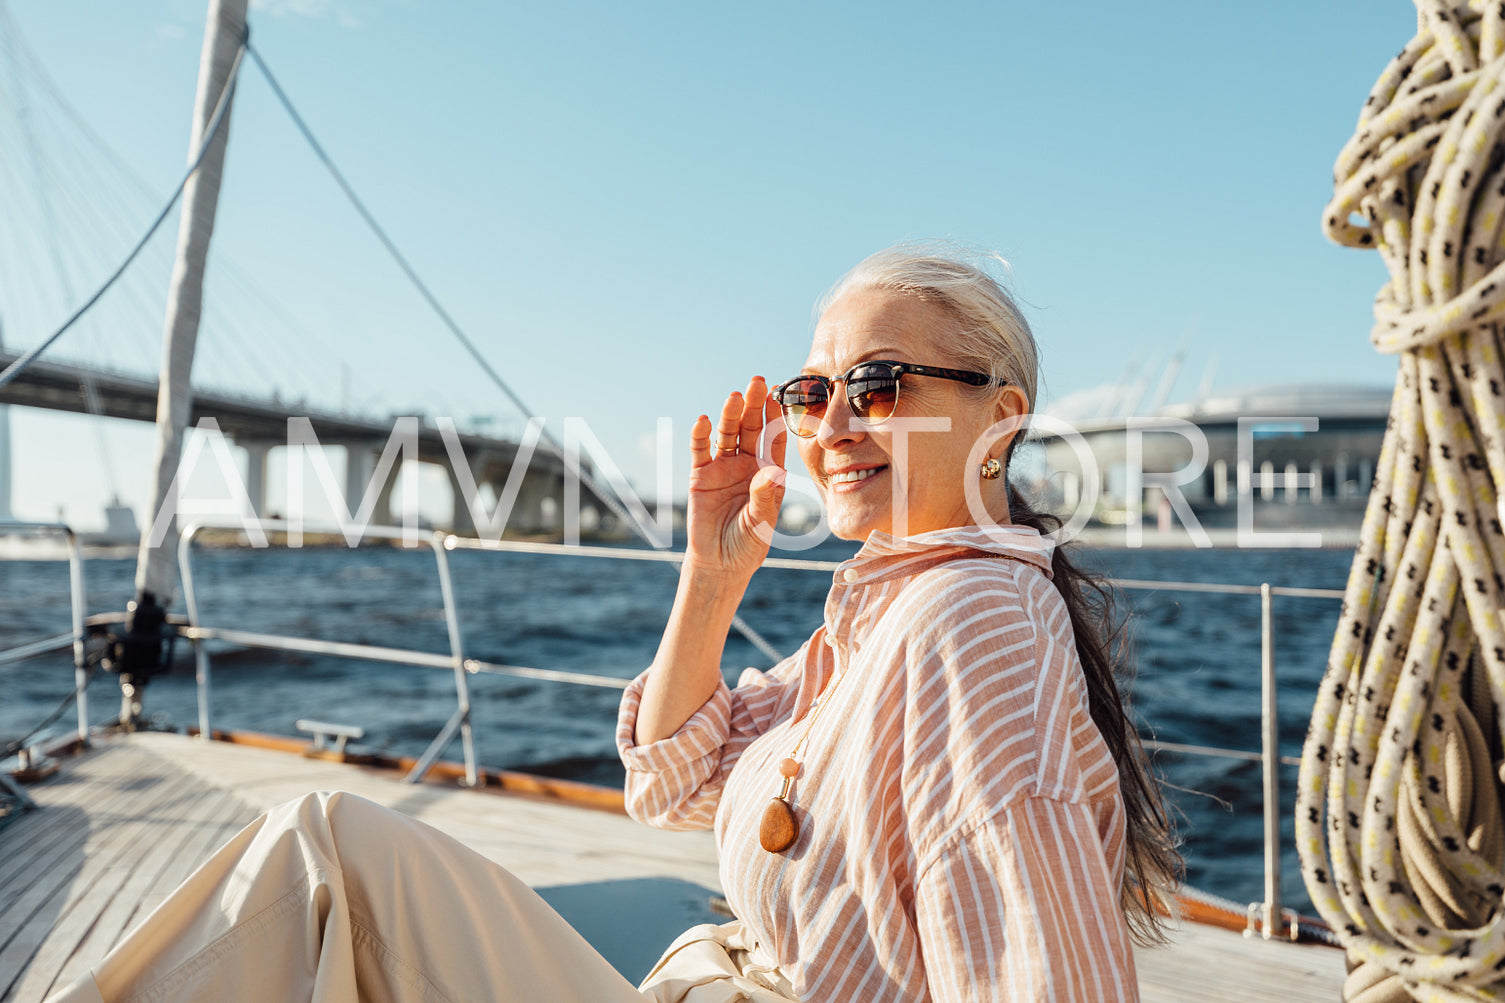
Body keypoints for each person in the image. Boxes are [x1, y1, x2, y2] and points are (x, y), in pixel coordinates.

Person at [48, 243, 1177, 1003]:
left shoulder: (967, 616)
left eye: (878, 383)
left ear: (1000, 417)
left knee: (323, 857)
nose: (831, 421)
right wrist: (709, 572)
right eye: (811, 390)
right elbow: (670, 786)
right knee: (325, 852)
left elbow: (1034, 965)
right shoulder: (881, 610)